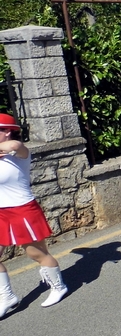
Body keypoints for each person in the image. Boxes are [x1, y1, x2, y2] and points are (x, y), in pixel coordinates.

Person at [0, 114, 68, 317]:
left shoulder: (19, 153)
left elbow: (14, 145)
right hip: (2, 213)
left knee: (36, 254)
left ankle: (59, 287)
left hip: (22, 210)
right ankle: (6, 297)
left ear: (7, 131)